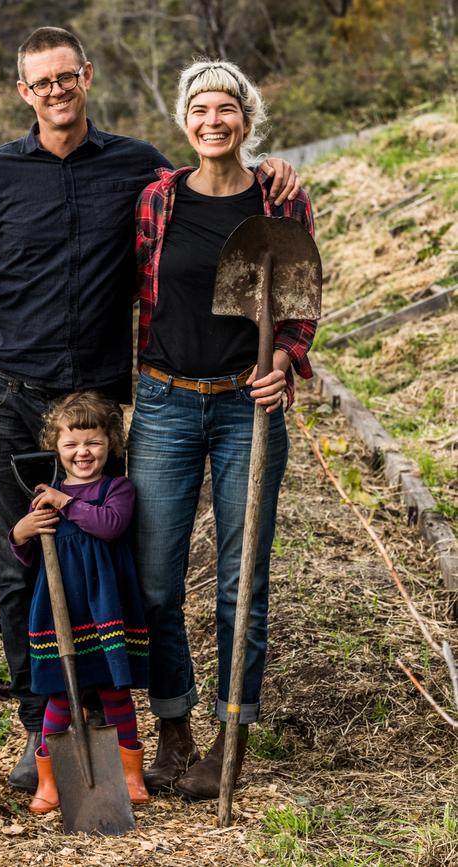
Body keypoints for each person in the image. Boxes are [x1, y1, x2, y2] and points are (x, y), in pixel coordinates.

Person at [0, 25, 301, 794]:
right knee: (21, 557)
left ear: (87, 77)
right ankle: (42, 730)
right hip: (11, 396)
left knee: (109, 562)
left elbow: (216, 188)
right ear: (25, 92)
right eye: (41, 82)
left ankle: (123, 718)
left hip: (96, 406)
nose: (56, 91)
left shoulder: (138, 170)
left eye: (67, 77)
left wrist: (273, 173)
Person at [128, 59, 318, 801]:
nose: (214, 120)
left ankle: (228, 736)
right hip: (166, 400)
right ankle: (172, 725)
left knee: (244, 582)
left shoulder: (278, 199)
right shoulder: (155, 200)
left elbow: (300, 303)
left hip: (248, 406)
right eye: (200, 108)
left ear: (246, 117)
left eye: (227, 108)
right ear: (184, 121)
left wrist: (283, 358)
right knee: (154, 581)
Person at [9, 391, 149, 812]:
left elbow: (109, 526)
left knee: (113, 691)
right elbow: (29, 554)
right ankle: (50, 780)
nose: (82, 452)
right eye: (71, 444)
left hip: (105, 608)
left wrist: (65, 501)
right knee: (58, 696)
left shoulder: (117, 489)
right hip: (61, 611)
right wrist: (21, 530)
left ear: (110, 444)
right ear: (56, 447)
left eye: (92, 442)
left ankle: (130, 774)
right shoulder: (45, 497)